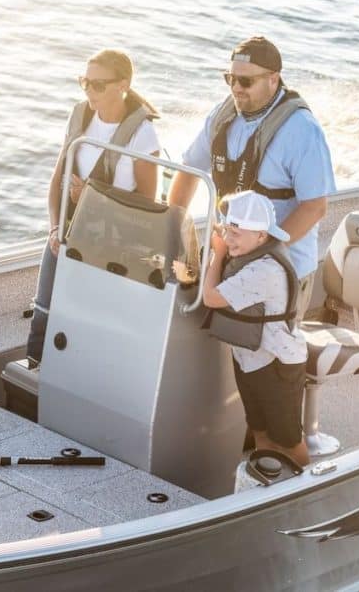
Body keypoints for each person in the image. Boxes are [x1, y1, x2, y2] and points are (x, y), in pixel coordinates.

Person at [168, 36, 336, 312]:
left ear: (273, 79)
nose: (235, 88)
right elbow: (188, 172)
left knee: (271, 352)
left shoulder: (302, 130)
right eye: (230, 79)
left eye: (245, 81)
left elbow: (315, 208)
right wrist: (172, 231)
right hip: (229, 259)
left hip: (280, 268)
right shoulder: (221, 117)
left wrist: (261, 251)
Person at [26, 49, 161, 365]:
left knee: (88, 320)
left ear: (122, 84)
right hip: (67, 230)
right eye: (84, 82)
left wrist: (93, 196)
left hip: (111, 242)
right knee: (44, 307)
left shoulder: (142, 134)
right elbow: (57, 180)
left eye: (98, 85)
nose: (89, 91)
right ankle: (33, 378)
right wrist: (55, 228)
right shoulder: (79, 115)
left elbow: (146, 207)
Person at [203, 191, 309, 466]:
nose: (228, 239)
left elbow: (211, 298)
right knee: (260, 430)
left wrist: (218, 254)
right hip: (249, 359)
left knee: (288, 440)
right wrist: (225, 245)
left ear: (262, 236)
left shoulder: (265, 269)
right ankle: (266, 482)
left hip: (276, 364)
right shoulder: (248, 253)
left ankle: (306, 488)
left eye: (236, 234)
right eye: (227, 231)